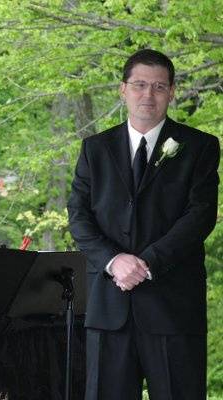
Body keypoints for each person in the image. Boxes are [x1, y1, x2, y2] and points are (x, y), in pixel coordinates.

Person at [68, 49, 220, 400]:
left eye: (158, 86)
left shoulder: (199, 147)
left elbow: (200, 216)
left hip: (173, 306)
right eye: (139, 85)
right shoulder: (95, 148)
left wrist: (148, 263)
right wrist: (114, 261)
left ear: (172, 92)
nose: (148, 95)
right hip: (109, 306)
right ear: (123, 90)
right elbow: (78, 214)